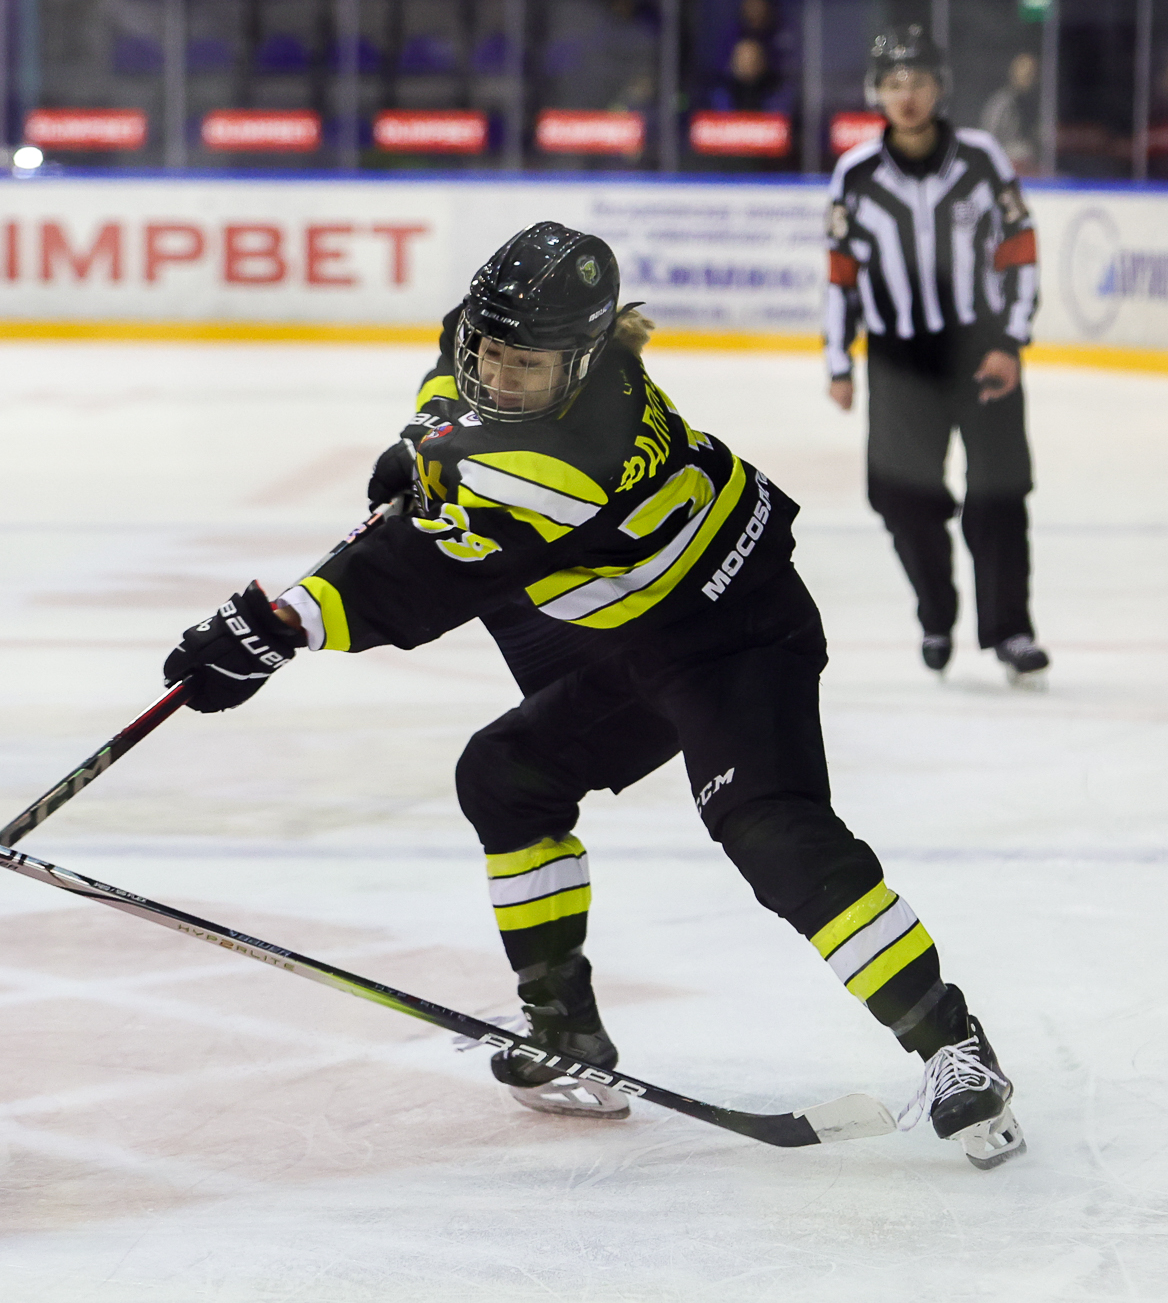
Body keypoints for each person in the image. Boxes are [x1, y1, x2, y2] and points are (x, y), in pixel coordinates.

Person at [162, 223, 1025, 1169]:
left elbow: (416, 581)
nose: (499, 379)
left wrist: (271, 627)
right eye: (491, 355)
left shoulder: (562, 469)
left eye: (525, 367)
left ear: (579, 361)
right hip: (632, 628)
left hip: (735, 634)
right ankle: (565, 1030)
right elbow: (455, 378)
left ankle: (953, 1044)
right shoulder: (543, 364)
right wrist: (427, 446)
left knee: (772, 831)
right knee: (506, 777)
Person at [825, 25, 1048, 684]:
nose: (907, 95)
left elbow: (1020, 250)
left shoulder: (982, 158)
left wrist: (1009, 342)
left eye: (918, 81)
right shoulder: (856, 174)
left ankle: (1010, 630)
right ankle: (936, 610)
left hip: (981, 352)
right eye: (893, 83)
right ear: (877, 92)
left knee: (1000, 491)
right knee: (900, 497)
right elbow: (840, 274)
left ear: (940, 87)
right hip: (898, 360)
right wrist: (838, 361)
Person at [978, 51, 1040, 172]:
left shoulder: (1033, 104)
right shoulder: (1001, 103)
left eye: (1033, 74)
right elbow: (988, 140)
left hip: (1029, 169)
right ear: (1013, 73)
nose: (1030, 78)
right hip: (1003, 166)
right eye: (1026, 74)